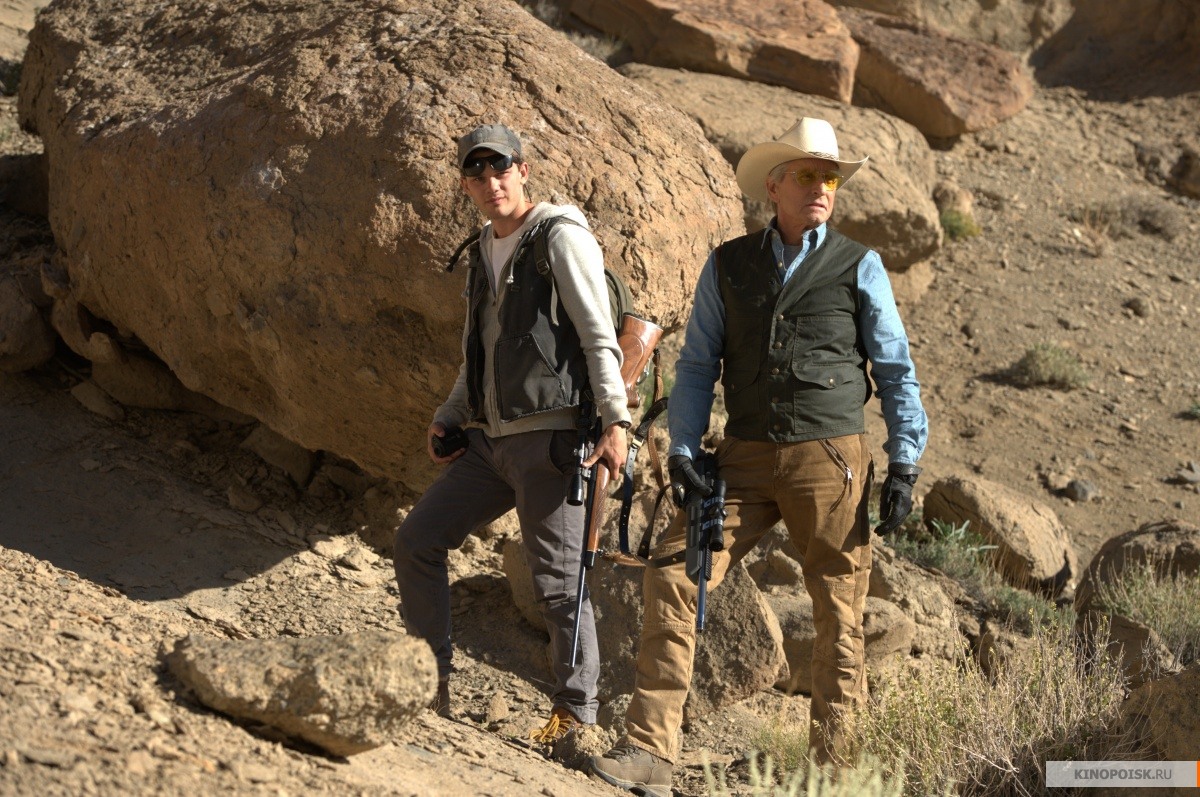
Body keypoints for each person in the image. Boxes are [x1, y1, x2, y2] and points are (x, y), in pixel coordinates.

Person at [589, 117, 928, 794]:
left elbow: (896, 370)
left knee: (839, 614)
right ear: (773, 185)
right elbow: (695, 366)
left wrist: (905, 463)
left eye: (830, 177)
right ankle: (650, 752)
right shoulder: (728, 263)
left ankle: (835, 776)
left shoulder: (859, 264)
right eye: (807, 174)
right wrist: (684, 449)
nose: (821, 187)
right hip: (740, 458)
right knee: (676, 574)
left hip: (831, 461)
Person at [393, 123, 631, 744]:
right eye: (476, 172)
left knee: (559, 585)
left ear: (524, 171)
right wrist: (450, 413)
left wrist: (616, 422)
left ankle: (575, 720)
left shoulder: (559, 235)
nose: (491, 181)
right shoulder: (482, 247)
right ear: (465, 185)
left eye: (501, 168)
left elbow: (597, 335)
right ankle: (428, 687)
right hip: (491, 442)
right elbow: (477, 349)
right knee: (417, 541)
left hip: (551, 441)